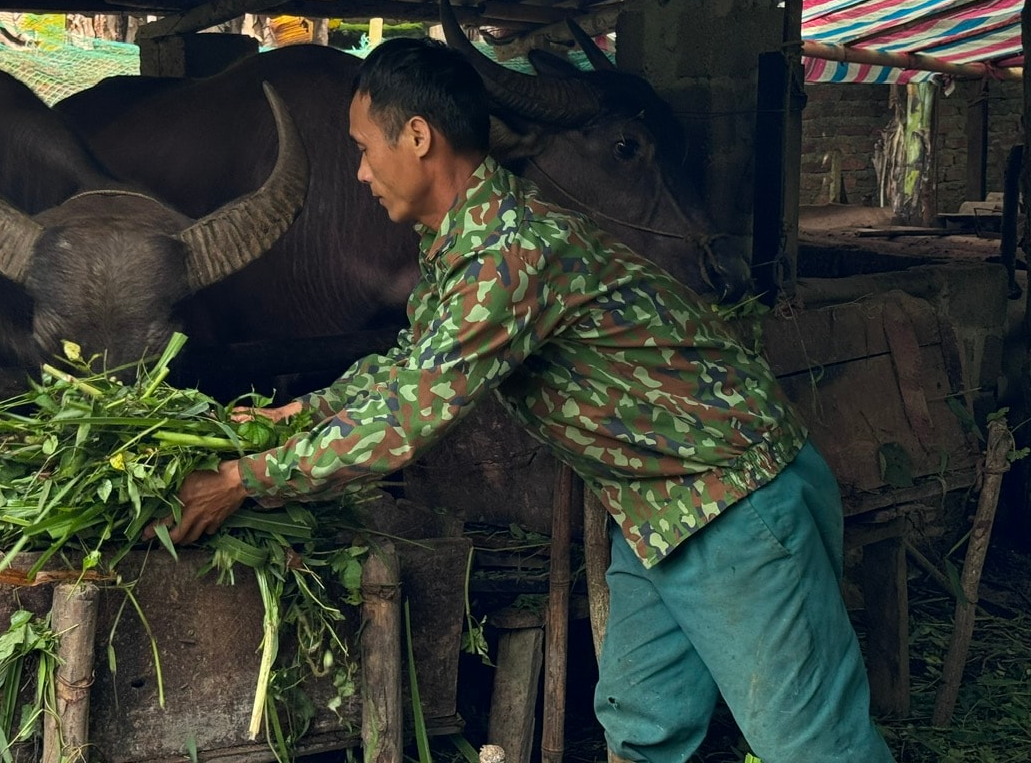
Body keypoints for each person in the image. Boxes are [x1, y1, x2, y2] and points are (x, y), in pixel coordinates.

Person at [148, 37, 896, 763]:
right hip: (655, 508)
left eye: (363, 147)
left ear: (416, 137)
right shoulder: (460, 250)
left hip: (734, 499)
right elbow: (409, 370)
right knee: (644, 722)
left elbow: (408, 422)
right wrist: (289, 418)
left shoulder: (512, 254)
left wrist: (241, 480)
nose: (360, 173)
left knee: (811, 744)